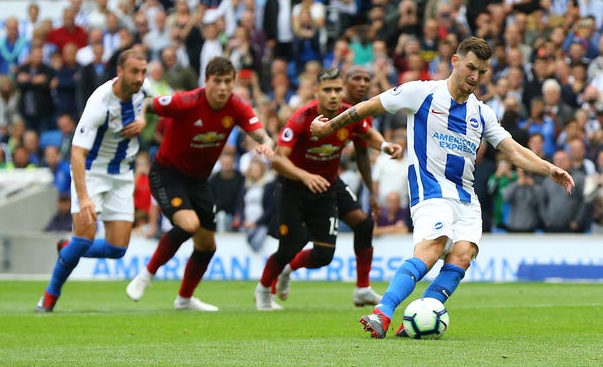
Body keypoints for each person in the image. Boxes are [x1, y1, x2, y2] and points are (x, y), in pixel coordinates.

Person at [310, 37, 575, 338]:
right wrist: (330, 126)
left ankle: (418, 320)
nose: (475, 77)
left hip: (466, 199)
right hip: (430, 190)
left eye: (482, 72)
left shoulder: (482, 112)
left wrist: (549, 168)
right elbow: (370, 107)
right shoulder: (420, 92)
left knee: (462, 255)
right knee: (434, 246)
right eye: (471, 68)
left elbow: (513, 150)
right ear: (455, 61)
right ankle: (382, 312)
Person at [125, 56, 275, 311]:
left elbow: (259, 130)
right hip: (167, 173)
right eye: (217, 81)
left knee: (207, 245)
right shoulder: (186, 101)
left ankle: (184, 299)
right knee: (189, 224)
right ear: (206, 81)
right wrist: (140, 118)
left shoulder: (236, 106)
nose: (223, 87)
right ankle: (146, 275)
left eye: (228, 81)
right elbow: (147, 103)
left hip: (198, 180)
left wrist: (267, 142)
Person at [254, 67, 402, 311]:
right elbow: (278, 159)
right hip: (293, 188)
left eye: (337, 90)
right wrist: (305, 176)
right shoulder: (301, 118)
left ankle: (356, 286)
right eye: (327, 90)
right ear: (316, 92)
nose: (333, 95)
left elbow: (367, 133)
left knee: (324, 255)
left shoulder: (347, 115)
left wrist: (385, 146)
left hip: (325, 188)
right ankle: (262, 290)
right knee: (290, 246)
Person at [35, 49, 148, 312]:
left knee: (117, 248)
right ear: (120, 72)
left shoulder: (143, 87)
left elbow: (157, 101)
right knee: (85, 237)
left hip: (121, 173)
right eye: (135, 72)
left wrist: (142, 119)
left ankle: (67, 248)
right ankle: (49, 297)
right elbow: (77, 152)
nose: (140, 78)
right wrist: (84, 197)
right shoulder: (100, 102)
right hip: (93, 172)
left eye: (143, 72)